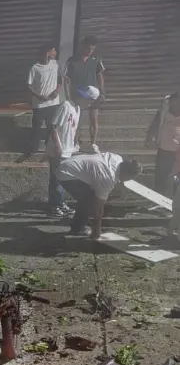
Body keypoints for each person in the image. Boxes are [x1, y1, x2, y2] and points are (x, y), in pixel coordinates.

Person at [57, 153, 142, 239]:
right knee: (89, 201)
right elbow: (98, 207)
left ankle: (79, 224)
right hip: (66, 174)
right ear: (126, 174)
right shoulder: (108, 178)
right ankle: (77, 230)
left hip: (69, 163)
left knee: (90, 197)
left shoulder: (117, 158)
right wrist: (97, 229)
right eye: (130, 178)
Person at [46, 86, 100, 216]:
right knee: (56, 178)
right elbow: (54, 126)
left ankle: (60, 202)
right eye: (88, 100)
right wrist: (58, 145)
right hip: (58, 148)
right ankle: (54, 206)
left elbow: (73, 128)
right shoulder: (66, 105)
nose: (89, 104)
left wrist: (75, 143)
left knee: (63, 178)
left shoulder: (77, 109)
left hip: (68, 149)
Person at [63, 36, 106, 152]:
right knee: (77, 120)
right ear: (83, 46)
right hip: (78, 94)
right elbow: (66, 79)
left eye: (92, 50)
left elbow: (100, 75)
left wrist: (102, 92)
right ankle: (76, 142)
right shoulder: (72, 61)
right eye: (88, 49)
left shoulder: (96, 59)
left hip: (93, 94)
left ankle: (93, 144)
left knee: (94, 120)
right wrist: (68, 97)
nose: (90, 52)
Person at [144, 92, 180, 198]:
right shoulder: (164, 111)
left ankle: (175, 199)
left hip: (178, 150)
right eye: (173, 101)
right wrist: (149, 137)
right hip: (164, 148)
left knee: (177, 176)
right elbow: (155, 123)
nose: (175, 104)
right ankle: (158, 198)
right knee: (161, 175)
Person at [27, 44, 61, 153]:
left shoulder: (55, 64)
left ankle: (49, 148)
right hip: (39, 104)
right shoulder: (35, 68)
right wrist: (38, 95)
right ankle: (33, 149)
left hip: (53, 102)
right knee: (36, 126)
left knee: (51, 127)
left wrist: (57, 91)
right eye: (53, 50)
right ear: (47, 52)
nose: (55, 53)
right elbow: (29, 85)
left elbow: (60, 80)